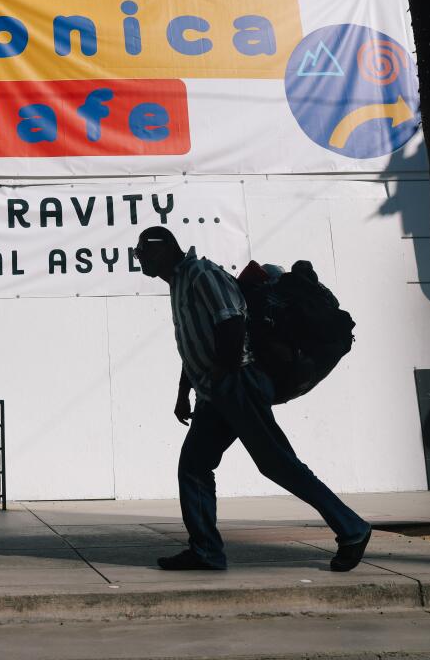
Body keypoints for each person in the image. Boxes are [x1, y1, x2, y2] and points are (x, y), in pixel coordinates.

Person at [133, 226, 371, 572]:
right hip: (216, 391)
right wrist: (185, 392)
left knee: (277, 463)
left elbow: (231, 323)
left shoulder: (201, 273)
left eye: (143, 251)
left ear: (164, 248)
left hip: (237, 382)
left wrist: (221, 374)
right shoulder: (179, 285)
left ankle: (353, 529)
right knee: (194, 466)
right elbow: (197, 341)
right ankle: (206, 552)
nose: (139, 258)